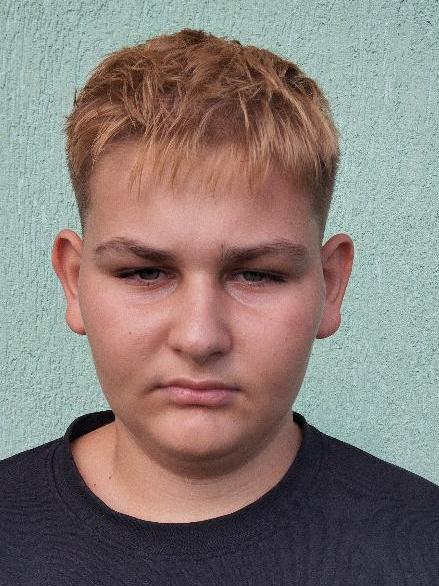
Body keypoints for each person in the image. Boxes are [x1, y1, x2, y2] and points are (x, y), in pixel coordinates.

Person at [1, 27, 437, 585]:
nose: (200, 337)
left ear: (330, 285)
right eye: (145, 272)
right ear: (73, 281)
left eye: (257, 274)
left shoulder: (422, 547)